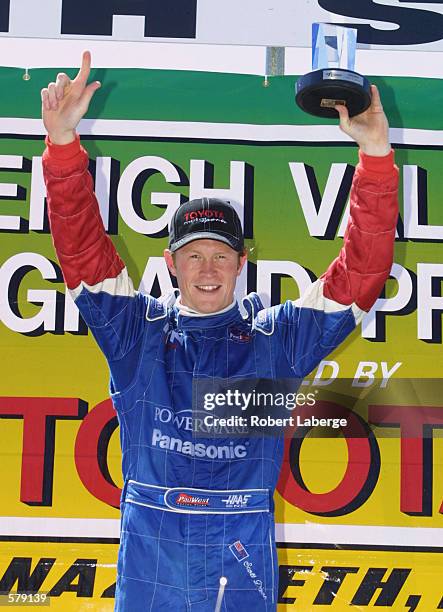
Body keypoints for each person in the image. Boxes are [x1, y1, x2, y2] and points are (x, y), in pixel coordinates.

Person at [41, 51, 398, 611]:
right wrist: (63, 150)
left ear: (242, 263)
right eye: (193, 256)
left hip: (240, 564)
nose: (208, 269)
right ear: (169, 264)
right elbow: (82, 249)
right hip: (150, 565)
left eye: (221, 256)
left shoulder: (275, 342)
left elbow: (361, 276)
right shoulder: (135, 336)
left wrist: (375, 157)